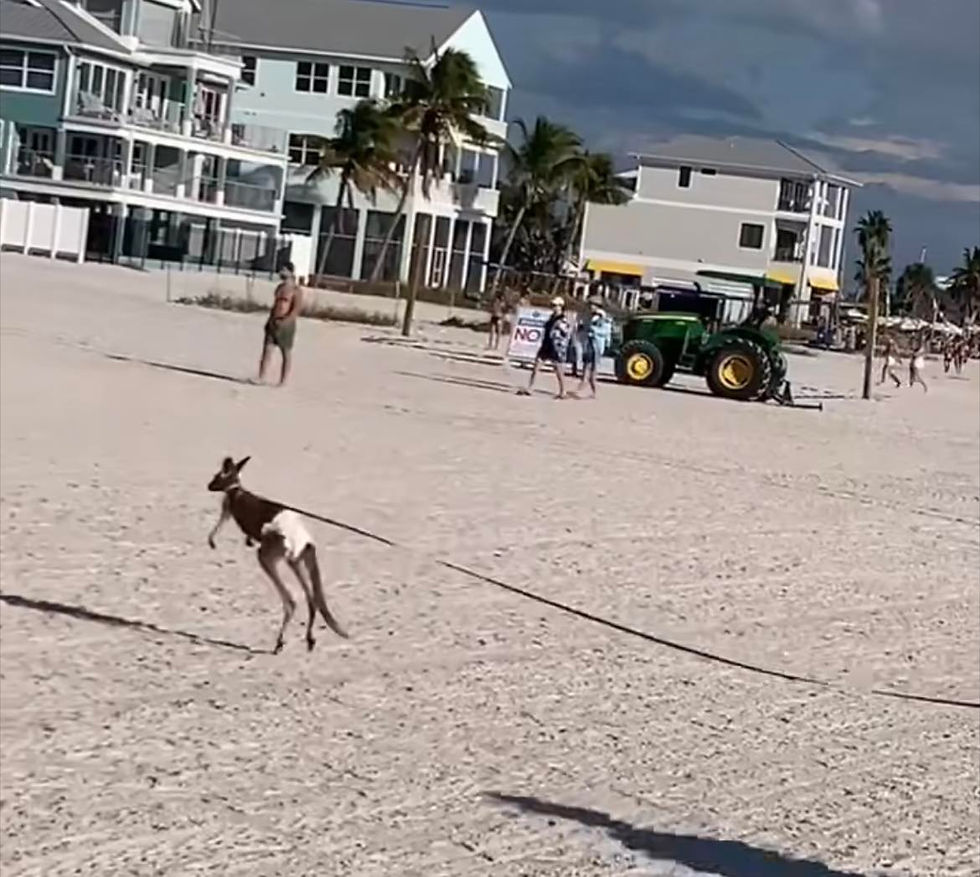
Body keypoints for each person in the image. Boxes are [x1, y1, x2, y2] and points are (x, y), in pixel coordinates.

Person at [258, 262, 302, 386]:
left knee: (286, 353)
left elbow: (296, 309)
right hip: (274, 320)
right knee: (267, 350)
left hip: (286, 324)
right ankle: (261, 376)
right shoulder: (279, 287)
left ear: (290, 272)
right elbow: (275, 305)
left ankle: (283, 381)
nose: (280, 272)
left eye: (283, 270)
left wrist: (286, 322)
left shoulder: (296, 290)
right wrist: (270, 320)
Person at [518, 296, 571, 399]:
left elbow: (566, 333)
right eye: (553, 305)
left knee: (558, 370)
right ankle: (530, 388)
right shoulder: (551, 317)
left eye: (556, 306)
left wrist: (559, 329)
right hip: (546, 344)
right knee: (536, 366)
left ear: (561, 307)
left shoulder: (563, 319)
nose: (554, 307)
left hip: (556, 347)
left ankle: (563, 391)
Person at [573, 298, 610, 399]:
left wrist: (593, 329)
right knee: (586, 367)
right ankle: (585, 390)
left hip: (596, 346)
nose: (590, 307)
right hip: (588, 344)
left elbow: (605, 332)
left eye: (593, 305)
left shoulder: (603, 318)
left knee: (592, 370)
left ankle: (589, 391)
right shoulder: (588, 317)